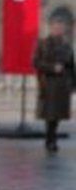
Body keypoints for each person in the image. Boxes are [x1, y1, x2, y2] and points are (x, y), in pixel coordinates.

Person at [33, 16, 75, 152]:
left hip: (63, 84)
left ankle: (52, 137)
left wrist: (73, 84)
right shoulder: (42, 43)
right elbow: (35, 62)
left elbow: (71, 66)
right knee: (50, 114)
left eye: (60, 28)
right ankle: (50, 140)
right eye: (56, 28)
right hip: (48, 83)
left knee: (58, 115)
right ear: (51, 28)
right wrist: (52, 68)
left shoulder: (67, 45)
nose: (58, 30)